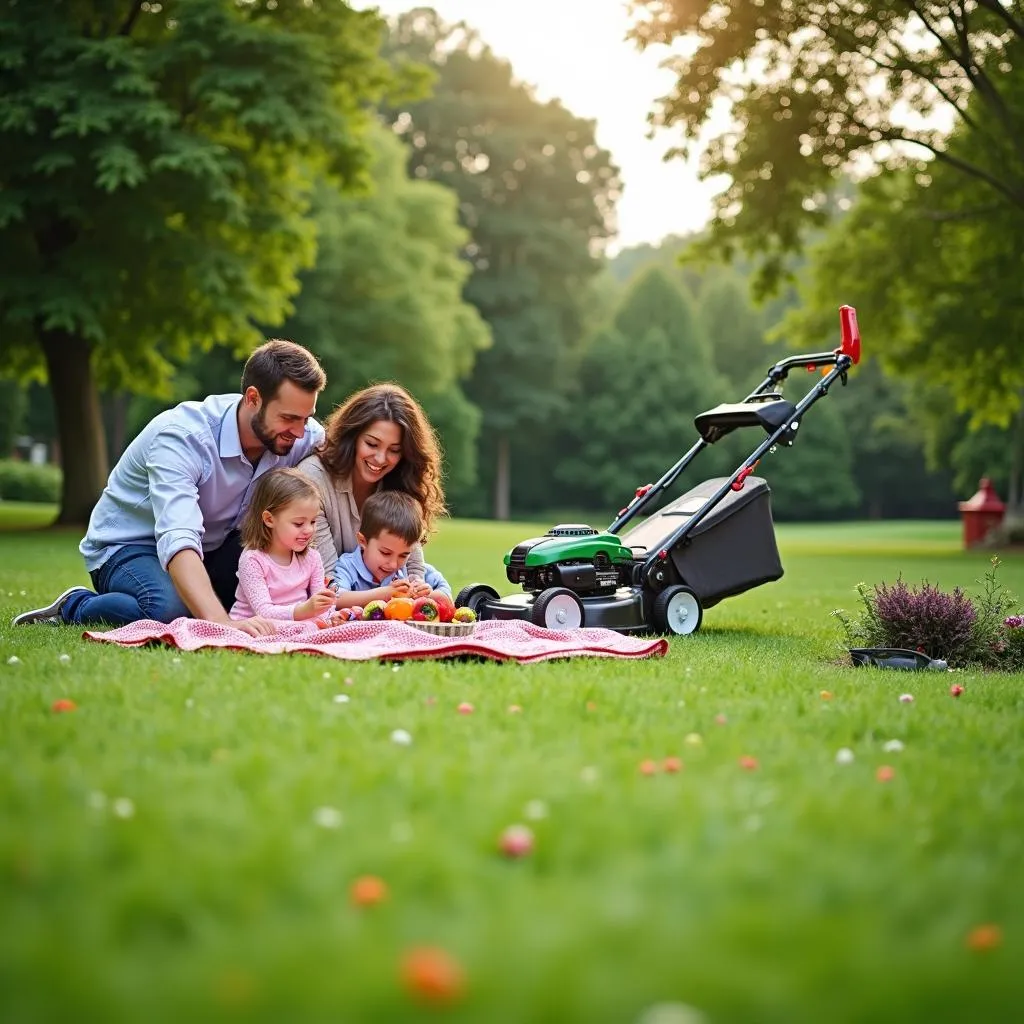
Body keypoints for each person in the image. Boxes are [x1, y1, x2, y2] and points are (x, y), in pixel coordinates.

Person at [13, 340, 326, 637]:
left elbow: (347, 455)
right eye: (289, 418)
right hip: (129, 546)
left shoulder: (296, 432)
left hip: (212, 547)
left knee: (247, 606)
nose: (300, 432)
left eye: (305, 418)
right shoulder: (182, 438)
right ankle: (75, 606)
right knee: (168, 609)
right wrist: (220, 623)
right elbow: (178, 538)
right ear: (253, 398)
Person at [296, 382, 446, 594]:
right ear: (353, 437)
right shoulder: (313, 479)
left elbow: (414, 568)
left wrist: (416, 591)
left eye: (394, 450)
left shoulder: (400, 481)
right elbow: (327, 580)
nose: (380, 459)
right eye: (372, 444)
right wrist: (382, 596)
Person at [230, 468, 338, 625]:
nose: (309, 530)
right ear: (269, 519)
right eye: (299, 523)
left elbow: (321, 602)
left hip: (297, 625)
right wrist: (304, 610)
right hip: (255, 626)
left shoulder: (312, 557)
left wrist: (330, 617)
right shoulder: (253, 560)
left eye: (313, 521)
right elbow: (264, 612)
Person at [330, 490, 452, 608]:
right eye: (385, 553)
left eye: (404, 555)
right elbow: (336, 599)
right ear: (363, 541)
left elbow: (447, 597)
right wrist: (385, 593)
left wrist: (427, 596)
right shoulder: (348, 566)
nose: (393, 565)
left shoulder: (409, 571)